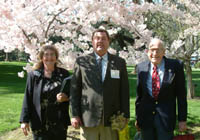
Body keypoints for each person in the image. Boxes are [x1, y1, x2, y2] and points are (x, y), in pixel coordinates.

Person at [70, 29, 130, 140]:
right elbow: (75, 91)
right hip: (88, 117)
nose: (100, 41)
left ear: (109, 42)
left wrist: (125, 114)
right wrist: (74, 114)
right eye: (97, 38)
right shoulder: (82, 62)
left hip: (112, 118)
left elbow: (124, 91)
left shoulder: (119, 62)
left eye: (104, 39)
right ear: (92, 42)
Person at [135, 38, 187, 140]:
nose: (155, 53)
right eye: (152, 49)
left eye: (158, 50)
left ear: (164, 52)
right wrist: (138, 117)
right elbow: (139, 96)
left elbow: (181, 95)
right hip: (145, 119)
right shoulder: (141, 68)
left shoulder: (175, 66)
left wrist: (182, 119)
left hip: (166, 119)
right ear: (148, 52)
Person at [20, 45, 71, 140]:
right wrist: (24, 120)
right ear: (41, 57)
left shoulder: (64, 74)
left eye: (52, 54)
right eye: (46, 54)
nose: (49, 57)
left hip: (59, 122)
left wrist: (66, 97)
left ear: (56, 57)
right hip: (39, 122)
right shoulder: (34, 76)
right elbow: (27, 97)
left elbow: (72, 95)